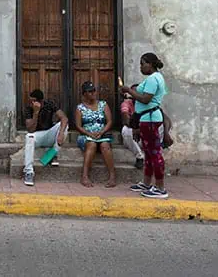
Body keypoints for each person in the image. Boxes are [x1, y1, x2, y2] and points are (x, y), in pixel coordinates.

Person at [122, 53, 169, 199]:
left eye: (143, 64)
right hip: (146, 119)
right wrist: (130, 96)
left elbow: (146, 99)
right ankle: (147, 183)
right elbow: (143, 99)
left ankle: (160, 188)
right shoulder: (154, 78)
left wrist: (130, 90)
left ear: (150, 64)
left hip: (150, 119)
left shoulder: (153, 79)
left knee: (154, 153)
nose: (141, 67)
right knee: (148, 153)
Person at [120, 85, 175, 168]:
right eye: (133, 93)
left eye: (138, 93)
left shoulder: (150, 104)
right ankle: (139, 157)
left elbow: (166, 119)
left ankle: (156, 151)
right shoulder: (127, 103)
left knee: (161, 125)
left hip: (147, 137)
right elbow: (126, 120)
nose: (136, 95)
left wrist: (166, 134)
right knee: (125, 129)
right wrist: (137, 128)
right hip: (136, 140)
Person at [21, 89, 68, 186]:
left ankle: (53, 153)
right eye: (31, 101)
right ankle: (29, 172)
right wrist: (35, 113)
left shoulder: (49, 104)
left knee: (64, 125)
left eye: (34, 101)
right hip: (37, 136)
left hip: (49, 134)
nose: (31, 103)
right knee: (29, 136)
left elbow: (64, 118)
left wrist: (61, 133)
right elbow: (30, 130)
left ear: (41, 101)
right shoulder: (29, 109)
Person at [74, 81, 116, 188]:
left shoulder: (103, 104)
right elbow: (78, 126)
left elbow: (110, 121)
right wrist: (89, 133)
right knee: (91, 144)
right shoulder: (80, 108)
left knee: (105, 145)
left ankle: (112, 176)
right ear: (84, 94)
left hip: (102, 134)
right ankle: (84, 176)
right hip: (86, 135)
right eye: (89, 91)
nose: (93, 93)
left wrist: (101, 132)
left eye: (93, 91)